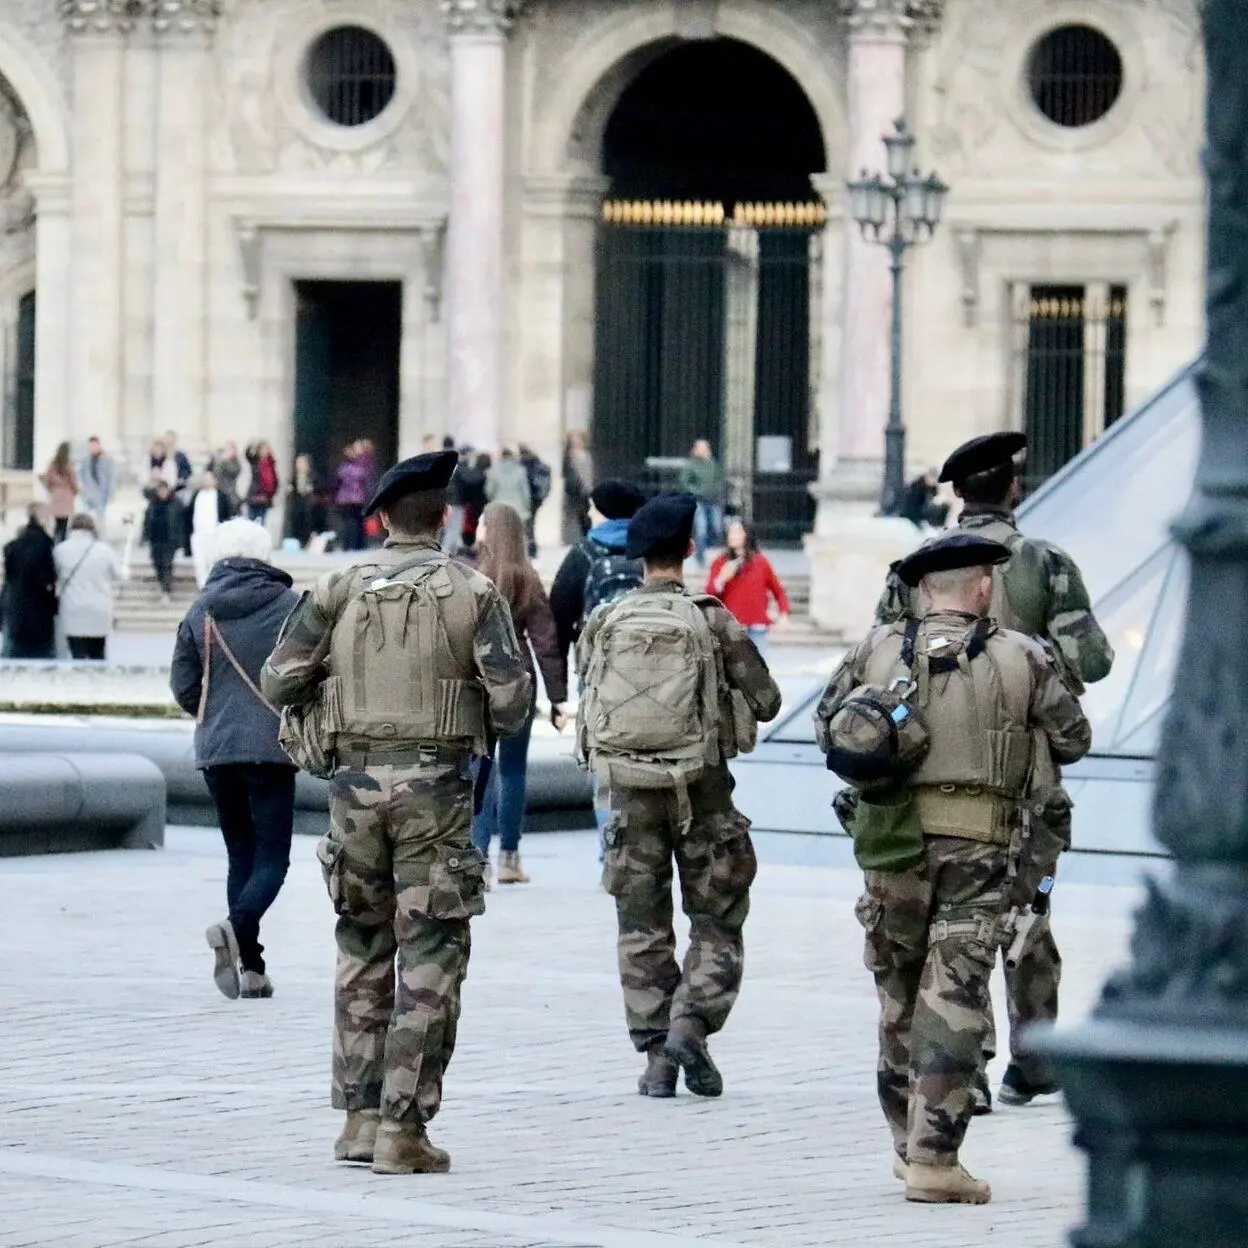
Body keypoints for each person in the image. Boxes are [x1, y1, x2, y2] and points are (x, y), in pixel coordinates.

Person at [261, 450, 531, 1175]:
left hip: (352, 795)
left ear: (380, 518)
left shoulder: (340, 588)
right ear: (444, 516)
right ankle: (402, 1130)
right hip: (436, 796)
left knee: (360, 950)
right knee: (431, 958)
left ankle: (356, 1118)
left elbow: (279, 679)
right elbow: (511, 702)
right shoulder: (472, 593)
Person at [814, 533, 1091, 1205]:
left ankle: (908, 1146)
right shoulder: (1020, 655)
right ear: (983, 588)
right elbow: (1075, 740)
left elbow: (829, 729)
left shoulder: (876, 650)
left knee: (898, 994)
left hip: (889, 848)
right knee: (955, 994)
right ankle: (937, 1157)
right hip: (979, 851)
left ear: (922, 590)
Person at [874, 431, 1114, 1112]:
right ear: (1013, 487)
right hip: (1028, 781)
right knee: (1027, 916)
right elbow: (1092, 659)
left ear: (955, 494)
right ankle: (1031, 1058)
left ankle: (966, 1066)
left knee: (951, 924)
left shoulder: (915, 566)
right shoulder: (1045, 562)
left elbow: (881, 656)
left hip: (932, 775)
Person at [576, 492, 781, 1100]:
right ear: (689, 551)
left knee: (640, 925)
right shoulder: (712, 618)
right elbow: (766, 701)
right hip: (703, 792)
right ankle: (691, 1024)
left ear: (638, 557)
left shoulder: (607, 621)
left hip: (628, 793)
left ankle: (657, 1056)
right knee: (718, 918)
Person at [171, 518, 300, 1001]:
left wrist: (214, 715)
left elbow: (183, 685)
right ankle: (236, 925)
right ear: (265, 555)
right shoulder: (290, 607)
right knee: (273, 858)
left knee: (240, 853)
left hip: (217, 749)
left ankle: (253, 969)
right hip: (271, 745)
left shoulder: (200, 609)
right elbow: (310, 674)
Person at [470, 501, 568, 886]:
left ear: (491, 530)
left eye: (481, 521)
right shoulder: (526, 576)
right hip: (519, 679)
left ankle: (478, 859)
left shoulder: (470, 575)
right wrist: (557, 697)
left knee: (479, 768)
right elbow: (545, 641)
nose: (476, 525)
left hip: (478, 679)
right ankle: (510, 858)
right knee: (513, 769)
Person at [705, 520, 790, 654]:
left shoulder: (761, 562)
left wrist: (783, 613)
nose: (733, 535)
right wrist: (721, 579)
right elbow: (709, 593)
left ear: (747, 534)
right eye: (731, 532)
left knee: (759, 669)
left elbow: (778, 590)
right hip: (732, 627)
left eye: (737, 531)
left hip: (757, 627)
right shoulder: (720, 562)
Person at [53, 514, 121, 660]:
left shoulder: (60, 550)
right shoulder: (104, 550)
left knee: (77, 654)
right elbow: (118, 575)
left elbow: (54, 575)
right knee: (98, 653)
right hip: (99, 608)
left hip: (72, 609)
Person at [2, 504, 57, 659]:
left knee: (15, 654)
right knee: (42, 654)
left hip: (16, 606)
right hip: (39, 607)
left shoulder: (12, 547)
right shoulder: (45, 544)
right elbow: (49, 577)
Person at [678, 439, 725, 567]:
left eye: (706, 448)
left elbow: (719, 478)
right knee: (701, 529)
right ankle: (700, 556)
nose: (704, 450)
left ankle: (707, 547)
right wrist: (697, 491)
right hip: (699, 501)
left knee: (717, 528)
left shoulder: (713, 464)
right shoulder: (691, 465)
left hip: (713, 501)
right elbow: (685, 482)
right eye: (701, 448)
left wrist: (717, 490)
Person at [189, 470, 231, 589]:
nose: (206, 482)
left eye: (209, 479)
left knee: (212, 560)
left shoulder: (221, 496)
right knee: (199, 561)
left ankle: (213, 585)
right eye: (205, 479)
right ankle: (202, 585)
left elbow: (227, 513)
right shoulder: (197, 495)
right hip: (198, 533)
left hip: (214, 533)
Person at [143, 479, 181, 602]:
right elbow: (146, 521)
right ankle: (162, 585)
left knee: (167, 564)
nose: (162, 493)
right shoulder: (152, 504)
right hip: (156, 539)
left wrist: (181, 540)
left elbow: (181, 522)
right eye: (160, 490)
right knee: (157, 563)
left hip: (170, 539)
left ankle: (166, 590)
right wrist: (145, 536)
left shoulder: (175, 503)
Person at [334, 443, 370, 552]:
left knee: (350, 523)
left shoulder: (343, 468)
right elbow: (365, 482)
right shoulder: (360, 468)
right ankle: (356, 544)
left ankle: (349, 544)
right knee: (356, 523)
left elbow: (337, 483)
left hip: (346, 499)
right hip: (356, 498)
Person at [485, 447, 532, 529]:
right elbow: (525, 491)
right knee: (515, 532)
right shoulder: (520, 471)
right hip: (517, 506)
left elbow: (489, 491)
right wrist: (527, 506)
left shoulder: (493, 471)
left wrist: (491, 500)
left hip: (499, 505)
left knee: (501, 532)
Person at [518, 443, 552, 557]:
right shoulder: (539, 464)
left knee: (526, 525)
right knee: (530, 524)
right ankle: (531, 548)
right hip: (537, 498)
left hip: (528, 499)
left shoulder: (523, 466)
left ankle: (529, 548)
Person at [41, 442, 79, 543]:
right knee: (65, 524)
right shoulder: (69, 465)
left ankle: (56, 540)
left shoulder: (52, 465)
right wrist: (76, 491)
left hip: (56, 495)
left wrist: (52, 490)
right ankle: (62, 542)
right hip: (67, 495)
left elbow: (47, 481)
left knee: (57, 523)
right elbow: (73, 482)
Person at [562, 431, 595, 543]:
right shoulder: (569, 456)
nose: (576, 443)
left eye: (578, 440)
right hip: (574, 491)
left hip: (586, 490)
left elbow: (589, 473)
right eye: (574, 441)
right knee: (574, 516)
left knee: (586, 516)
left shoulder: (587, 455)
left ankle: (586, 537)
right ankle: (573, 539)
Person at [78, 437, 117, 532]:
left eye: (94, 445)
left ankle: (100, 536)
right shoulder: (85, 461)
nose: (92, 448)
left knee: (100, 519)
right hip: (88, 493)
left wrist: (111, 493)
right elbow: (80, 476)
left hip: (101, 493)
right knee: (87, 518)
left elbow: (112, 478)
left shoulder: (108, 460)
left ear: (99, 446)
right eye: (91, 446)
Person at [441, 446, 474, 555]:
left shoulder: (447, 467)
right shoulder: (460, 467)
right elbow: (468, 480)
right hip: (456, 502)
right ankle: (446, 551)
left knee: (452, 528)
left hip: (450, 501)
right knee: (454, 528)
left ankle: (452, 550)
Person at [286, 453, 323, 549]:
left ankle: (307, 542)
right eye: (298, 463)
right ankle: (298, 542)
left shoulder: (313, 475)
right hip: (298, 503)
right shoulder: (294, 476)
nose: (300, 466)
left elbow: (319, 487)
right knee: (297, 523)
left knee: (308, 523)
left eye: (302, 463)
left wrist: (312, 489)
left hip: (309, 504)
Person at [458, 452, 489, 550]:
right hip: (482, 505)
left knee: (470, 526)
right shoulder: (486, 477)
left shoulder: (471, 473)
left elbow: (465, 491)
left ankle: (468, 546)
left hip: (470, 505)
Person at [245, 441, 279, 525]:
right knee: (251, 522)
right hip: (254, 497)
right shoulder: (255, 462)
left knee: (261, 522)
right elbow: (248, 455)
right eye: (262, 449)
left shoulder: (271, 464)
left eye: (266, 449)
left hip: (264, 498)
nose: (264, 451)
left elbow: (275, 481)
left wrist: (272, 495)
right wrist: (252, 446)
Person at [209, 441, 245, 513]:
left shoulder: (235, 462)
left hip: (230, 493)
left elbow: (235, 471)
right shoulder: (218, 460)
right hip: (219, 492)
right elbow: (215, 472)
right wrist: (221, 460)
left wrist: (225, 460)